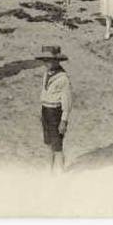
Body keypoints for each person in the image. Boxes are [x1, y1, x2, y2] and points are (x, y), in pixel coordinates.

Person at [37, 45, 73, 174]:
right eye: (45, 60)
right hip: (46, 110)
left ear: (57, 61)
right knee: (48, 143)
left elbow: (67, 101)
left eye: (50, 60)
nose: (47, 63)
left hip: (55, 113)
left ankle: (61, 170)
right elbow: (44, 92)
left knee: (57, 145)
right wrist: (41, 111)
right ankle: (50, 169)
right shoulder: (46, 74)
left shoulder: (63, 78)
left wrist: (64, 120)